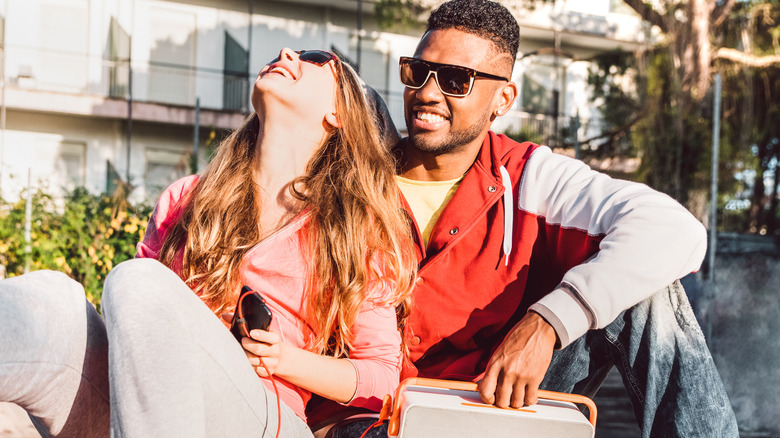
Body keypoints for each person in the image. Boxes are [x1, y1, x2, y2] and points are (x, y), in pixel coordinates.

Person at [317, 0, 740, 437]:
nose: (426, 93)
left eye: (455, 80)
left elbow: (678, 230)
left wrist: (549, 322)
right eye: (417, 71)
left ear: (503, 98)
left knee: (647, 293)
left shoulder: (530, 176)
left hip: (488, 406)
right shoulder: (357, 172)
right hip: (370, 416)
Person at [0, 48, 416, 437]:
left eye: (314, 59)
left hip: (263, 410)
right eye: (283, 53)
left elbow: (381, 378)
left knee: (139, 280)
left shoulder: (354, 228)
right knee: (53, 302)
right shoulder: (186, 198)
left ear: (337, 113)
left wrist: (283, 359)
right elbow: (135, 331)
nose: (287, 55)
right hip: (153, 401)